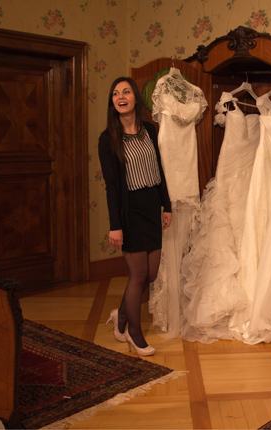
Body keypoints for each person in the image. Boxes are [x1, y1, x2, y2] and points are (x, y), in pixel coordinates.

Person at [99, 76, 172, 357]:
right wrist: (115, 226)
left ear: (135, 98)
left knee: (150, 275)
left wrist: (166, 205)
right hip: (129, 211)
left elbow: (158, 169)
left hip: (151, 205)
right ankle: (134, 333)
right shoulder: (107, 139)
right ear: (113, 102)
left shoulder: (149, 130)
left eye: (126, 91)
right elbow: (111, 186)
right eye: (115, 93)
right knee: (138, 274)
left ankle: (120, 314)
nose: (120, 97)